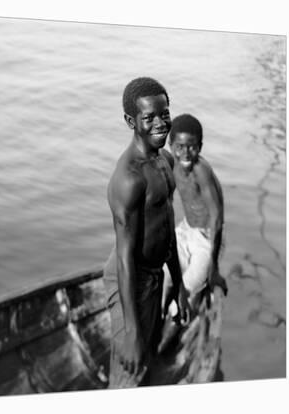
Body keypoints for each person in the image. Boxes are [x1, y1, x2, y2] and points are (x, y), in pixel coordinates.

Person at [103, 77, 190, 388]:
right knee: (130, 369)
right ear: (131, 121)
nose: (160, 123)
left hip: (154, 275)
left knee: (148, 359)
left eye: (164, 114)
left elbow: (166, 230)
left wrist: (178, 284)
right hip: (130, 277)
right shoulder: (128, 178)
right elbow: (125, 256)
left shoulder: (164, 160)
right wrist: (131, 331)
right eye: (149, 117)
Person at [161, 114, 228, 322]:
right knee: (162, 277)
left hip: (207, 239)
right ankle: (157, 321)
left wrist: (214, 269)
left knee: (184, 294)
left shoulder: (201, 171)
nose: (185, 153)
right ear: (171, 145)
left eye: (191, 146)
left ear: (200, 146)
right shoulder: (170, 164)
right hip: (185, 230)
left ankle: (171, 329)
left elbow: (217, 218)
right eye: (179, 147)